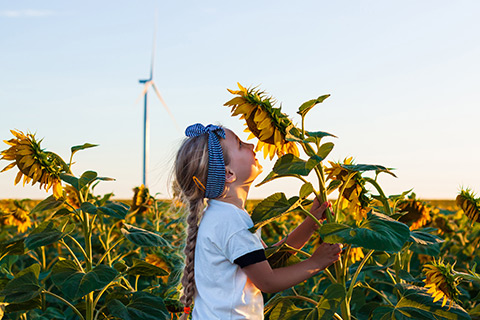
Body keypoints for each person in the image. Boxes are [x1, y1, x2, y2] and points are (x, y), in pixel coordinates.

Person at [173, 123, 342, 320]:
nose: (251, 145)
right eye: (240, 144)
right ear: (228, 174)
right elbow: (268, 281)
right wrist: (317, 262)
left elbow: (267, 262)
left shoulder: (224, 215)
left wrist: (309, 225)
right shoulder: (231, 221)